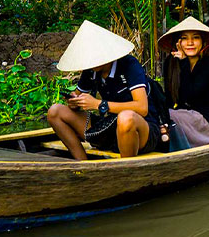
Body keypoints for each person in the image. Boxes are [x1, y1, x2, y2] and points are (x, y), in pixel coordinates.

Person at [47, 20, 160, 160]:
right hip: (109, 126)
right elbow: (76, 96)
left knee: (126, 118)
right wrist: (74, 102)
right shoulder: (91, 70)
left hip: (141, 130)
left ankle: (126, 171)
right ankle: (84, 166)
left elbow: (142, 108)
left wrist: (99, 104)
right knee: (55, 111)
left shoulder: (129, 65)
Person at [159, 17, 209, 147]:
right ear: (178, 42)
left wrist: (184, 63)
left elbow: (190, 95)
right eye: (184, 38)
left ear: (203, 42)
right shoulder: (170, 64)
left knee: (169, 116)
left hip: (205, 121)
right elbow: (170, 99)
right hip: (181, 116)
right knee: (160, 114)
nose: (190, 43)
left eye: (195, 38)